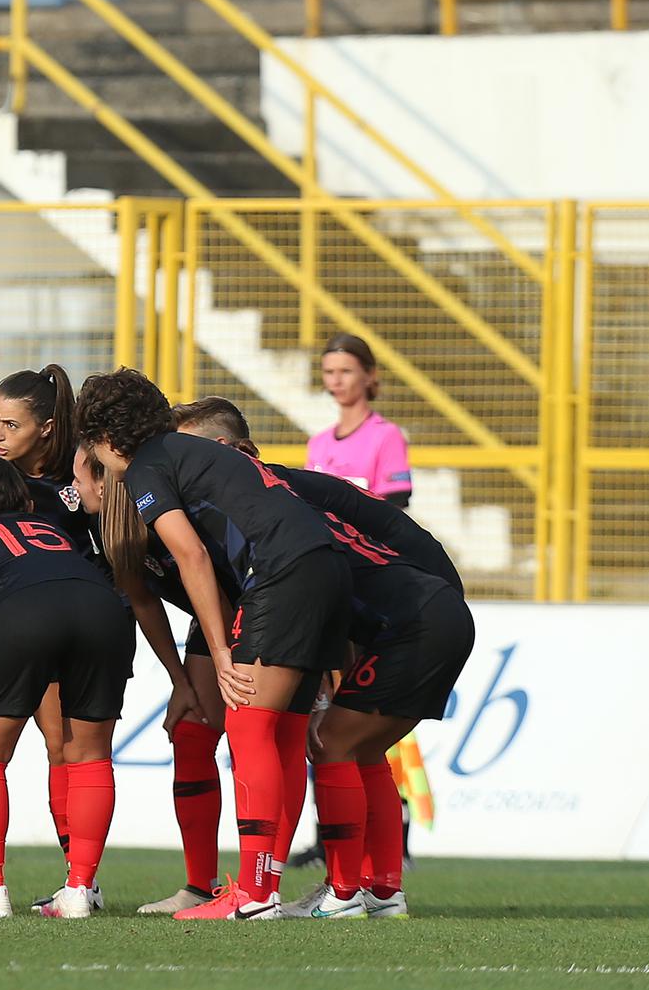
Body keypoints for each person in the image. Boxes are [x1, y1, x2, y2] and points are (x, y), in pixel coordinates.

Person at [174, 396, 471, 920]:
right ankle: (382, 892)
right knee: (357, 749)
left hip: (415, 622)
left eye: (187, 451)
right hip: (429, 614)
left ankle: (339, 893)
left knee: (329, 740)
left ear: (224, 451)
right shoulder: (280, 501)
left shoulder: (267, 508)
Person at [77, 368, 352, 922]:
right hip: (324, 565)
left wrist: (224, 654)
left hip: (281, 573)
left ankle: (253, 895)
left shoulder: (148, 467)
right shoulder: (181, 451)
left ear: (107, 442)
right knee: (284, 731)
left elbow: (192, 556)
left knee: (249, 723)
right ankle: (261, 885)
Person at [0, 459, 133, 919]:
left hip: (26, 612)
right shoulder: (49, 528)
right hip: (103, 609)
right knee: (89, 757)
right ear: (25, 501)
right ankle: (79, 890)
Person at [0, 364, 109, 911]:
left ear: (49, 428)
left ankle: (81, 882)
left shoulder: (80, 472)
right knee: (44, 748)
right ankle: (78, 885)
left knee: (65, 747)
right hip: (19, 621)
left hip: (76, 620)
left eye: (12, 425)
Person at [70, 447, 220, 917]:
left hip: (266, 613)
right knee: (192, 733)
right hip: (215, 622)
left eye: (77, 476)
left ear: (101, 478)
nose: (72, 490)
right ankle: (202, 885)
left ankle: (271, 889)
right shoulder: (114, 528)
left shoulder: (164, 511)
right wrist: (181, 680)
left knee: (276, 736)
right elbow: (143, 600)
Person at [307, 333, 412, 507]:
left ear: (370, 375)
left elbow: (395, 505)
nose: (336, 381)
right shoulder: (318, 443)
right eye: (329, 372)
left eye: (346, 371)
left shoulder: (386, 435)